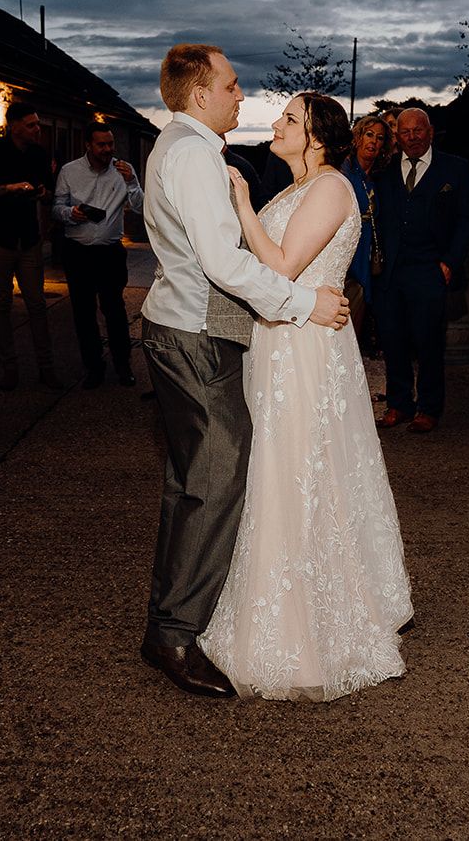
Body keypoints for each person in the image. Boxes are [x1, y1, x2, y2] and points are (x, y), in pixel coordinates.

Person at [139, 44, 350, 699]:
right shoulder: (194, 155)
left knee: (189, 480)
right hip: (197, 334)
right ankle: (175, 633)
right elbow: (222, 266)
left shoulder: (182, 147)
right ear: (201, 93)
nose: (240, 95)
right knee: (217, 481)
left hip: (181, 327)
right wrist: (304, 304)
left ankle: (165, 622)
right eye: (231, 86)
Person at [199, 91, 413, 701]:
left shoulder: (330, 188)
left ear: (317, 135)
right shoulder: (294, 189)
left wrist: (240, 204)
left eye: (290, 119)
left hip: (304, 352)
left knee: (298, 471)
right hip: (279, 342)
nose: (278, 124)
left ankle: (309, 625)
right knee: (279, 469)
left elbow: (284, 266)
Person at [373, 106, 469, 434]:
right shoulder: (385, 171)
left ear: (430, 132)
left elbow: (466, 220)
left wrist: (450, 261)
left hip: (430, 269)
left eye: (418, 130)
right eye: (405, 132)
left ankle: (429, 408)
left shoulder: (455, 169)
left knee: (428, 341)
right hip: (391, 272)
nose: (412, 137)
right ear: (398, 136)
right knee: (392, 339)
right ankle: (398, 404)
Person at [0, 102, 58, 391]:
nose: (37, 129)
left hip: (29, 238)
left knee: (37, 304)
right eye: (31, 124)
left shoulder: (39, 154)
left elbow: (50, 194)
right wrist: (10, 187)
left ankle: (46, 368)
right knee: (1, 304)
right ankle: (10, 368)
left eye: (37, 124)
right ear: (14, 124)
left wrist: (44, 193)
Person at [53, 123, 143, 389]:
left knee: (114, 310)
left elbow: (139, 207)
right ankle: (93, 368)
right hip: (77, 252)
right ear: (88, 145)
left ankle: (123, 366)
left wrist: (132, 182)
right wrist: (71, 214)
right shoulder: (69, 171)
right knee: (83, 313)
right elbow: (56, 208)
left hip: (110, 253)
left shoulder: (123, 171)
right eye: (101, 145)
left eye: (110, 144)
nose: (107, 150)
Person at [340, 113, 393, 352]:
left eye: (380, 138)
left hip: (366, 255)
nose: (373, 141)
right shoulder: (343, 170)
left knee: (356, 323)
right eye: (368, 135)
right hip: (343, 256)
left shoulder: (379, 177)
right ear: (358, 137)